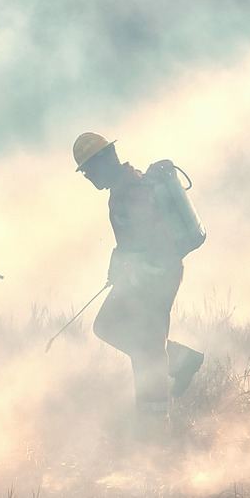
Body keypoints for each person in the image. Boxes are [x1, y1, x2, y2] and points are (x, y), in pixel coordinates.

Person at [72, 132, 204, 436]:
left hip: (155, 277)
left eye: (89, 169)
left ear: (104, 161)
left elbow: (148, 238)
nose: (88, 177)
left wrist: (124, 263)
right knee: (109, 326)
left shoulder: (129, 191)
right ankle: (181, 362)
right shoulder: (127, 184)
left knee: (149, 349)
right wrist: (120, 263)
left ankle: (155, 428)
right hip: (147, 275)